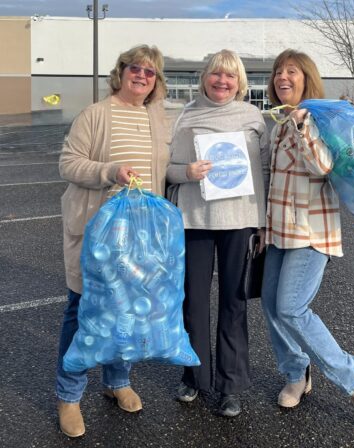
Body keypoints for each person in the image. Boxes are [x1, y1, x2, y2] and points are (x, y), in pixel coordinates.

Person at [56, 44, 171, 437]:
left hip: (139, 236)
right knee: (82, 313)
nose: (141, 75)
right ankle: (69, 396)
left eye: (150, 72)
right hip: (97, 233)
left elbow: (164, 170)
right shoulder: (95, 114)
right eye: (135, 68)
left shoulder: (158, 119)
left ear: (156, 81)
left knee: (127, 312)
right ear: (121, 72)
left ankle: (117, 381)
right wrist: (110, 171)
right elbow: (68, 163)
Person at [261, 49, 354, 427]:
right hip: (279, 232)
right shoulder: (279, 123)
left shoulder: (317, 118)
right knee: (271, 305)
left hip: (312, 231)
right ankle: (297, 374)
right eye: (278, 72)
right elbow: (273, 180)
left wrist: (302, 125)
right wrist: (263, 228)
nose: (282, 77)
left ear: (306, 78)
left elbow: (322, 166)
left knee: (291, 308)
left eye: (291, 71)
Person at [166, 49, 270, 417]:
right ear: (204, 78)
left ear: (240, 82)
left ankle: (230, 385)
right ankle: (194, 376)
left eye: (230, 76)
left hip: (240, 221)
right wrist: (186, 172)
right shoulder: (185, 116)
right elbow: (166, 168)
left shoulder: (253, 117)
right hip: (194, 220)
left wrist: (263, 221)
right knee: (193, 303)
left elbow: (265, 171)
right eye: (216, 74)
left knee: (234, 304)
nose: (222, 81)